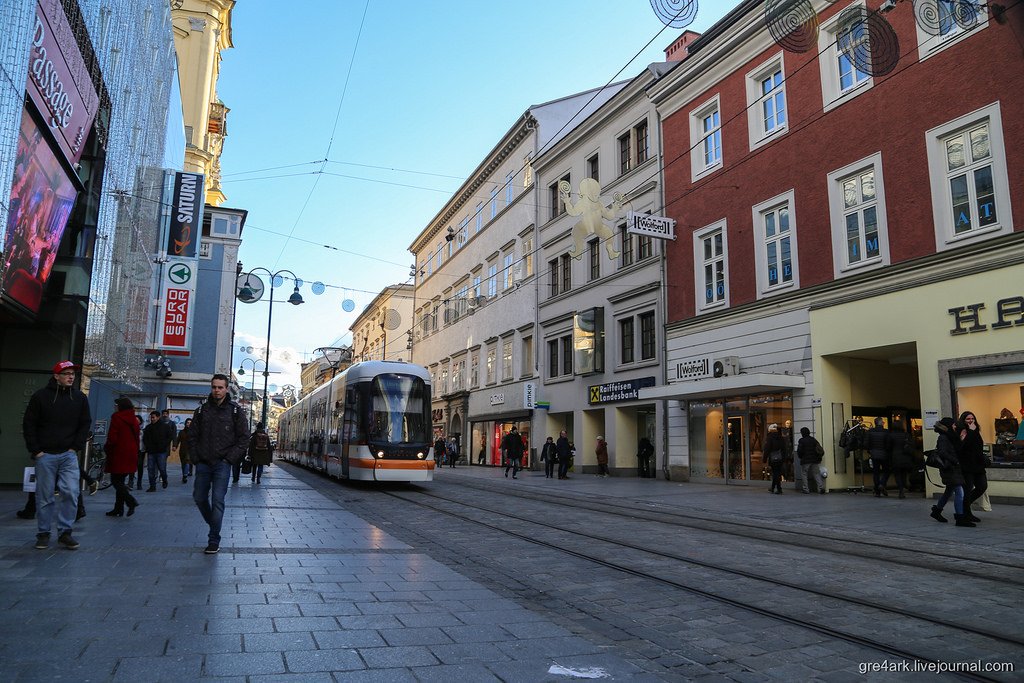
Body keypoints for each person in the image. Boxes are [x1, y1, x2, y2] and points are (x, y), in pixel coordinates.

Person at [22, 360, 91, 550]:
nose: (71, 377)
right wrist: (36, 451)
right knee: (45, 497)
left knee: (71, 492)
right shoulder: (40, 397)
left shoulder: (79, 398)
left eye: (73, 374)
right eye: (66, 373)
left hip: (68, 455)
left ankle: (65, 532)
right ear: (56, 376)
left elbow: (85, 423)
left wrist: (75, 447)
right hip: (45, 455)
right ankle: (43, 533)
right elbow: (29, 423)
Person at [189, 374, 250, 554]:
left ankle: (213, 539)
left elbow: (244, 438)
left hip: (222, 463)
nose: (217, 390)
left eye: (220, 387)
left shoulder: (235, 411)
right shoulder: (202, 411)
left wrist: (229, 459)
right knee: (199, 497)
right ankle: (214, 524)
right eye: (214, 387)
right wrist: (196, 458)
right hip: (203, 462)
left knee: (217, 501)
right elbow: (192, 436)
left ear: (226, 389)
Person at [929, 417, 973, 527]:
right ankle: (960, 518)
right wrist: (955, 461)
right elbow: (942, 452)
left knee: (948, 491)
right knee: (960, 492)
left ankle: (937, 511)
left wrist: (961, 439)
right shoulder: (943, 437)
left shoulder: (949, 436)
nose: (955, 426)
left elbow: (956, 449)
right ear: (948, 426)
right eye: (953, 425)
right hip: (949, 468)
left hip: (953, 468)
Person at [104, 397, 141, 517]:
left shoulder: (117, 417)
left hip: (119, 452)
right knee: (120, 481)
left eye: (116, 405)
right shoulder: (134, 419)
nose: (115, 407)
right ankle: (118, 508)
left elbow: (112, 437)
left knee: (115, 481)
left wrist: (107, 448)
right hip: (131, 453)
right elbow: (136, 437)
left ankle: (130, 501)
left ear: (120, 406)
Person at [957, 411, 987, 523]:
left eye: (972, 419)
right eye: (968, 419)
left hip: (978, 465)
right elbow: (964, 447)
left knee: (982, 486)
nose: (971, 421)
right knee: (967, 489)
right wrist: (970, 431)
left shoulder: (975, 430)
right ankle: (966, 512)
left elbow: (979, 445)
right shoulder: (962, 431)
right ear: (963, 420)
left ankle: (965, 505)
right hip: (967, 465)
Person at [142, 410, 174, 491]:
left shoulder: (165, 426)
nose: (152, 419)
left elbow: (170, 436)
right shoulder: (148, 427)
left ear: (158, 417)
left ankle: (164, 479)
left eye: (153, 417)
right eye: (151, 417)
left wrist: (164, 445)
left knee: (162, 468)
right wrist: (148, 446)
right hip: (151, 452)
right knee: (151, 469)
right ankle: (152, 486)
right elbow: (145, 438)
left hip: (161, 451)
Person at [863, 417, 890, 497]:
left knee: (876, 472)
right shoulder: (886, 432)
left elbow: (866, 444)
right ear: (880, 423)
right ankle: (882, 484)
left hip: (874, 454)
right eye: (883, 422)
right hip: (884, 454)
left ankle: (877, 491)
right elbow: (888, 444)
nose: (883, 423)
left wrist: (870, 450)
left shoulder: (870, 431)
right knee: (886, 470)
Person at [887, 420, 914, 499]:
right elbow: (912, 444)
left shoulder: (891, 435)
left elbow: (888, 447)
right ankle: (904, 486)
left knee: (897, 474)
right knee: (904, 473)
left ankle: (901, 489)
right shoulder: (906, 435)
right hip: (905, 457)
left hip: (895, 457)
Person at [795, 427, 825, 494]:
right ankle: (820, 488)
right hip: (814, 460)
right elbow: (819, 449)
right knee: (816, 473)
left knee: (804, 474)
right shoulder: (813, 440)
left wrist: (801, 457)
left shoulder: (801, 440)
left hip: (805, 460)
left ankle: (806, 489)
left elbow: (799, 451)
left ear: (802, 433)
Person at [764, 423, 787, 494]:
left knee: (775, 473)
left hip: (773, 458)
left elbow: (767, 449)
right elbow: (784, 448)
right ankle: (773, 487)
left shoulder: (769, 438)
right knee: (777, 472)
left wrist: (764, 458)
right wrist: (784, 458)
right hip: (780, 458)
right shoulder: (781, 437)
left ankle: (779, 489)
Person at [176, 418, 193, 483]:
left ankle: (185, 475)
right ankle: (185, 474)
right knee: (183, 464)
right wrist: (175, 446)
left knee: (187, 461)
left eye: (190, 423)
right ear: (185, 423)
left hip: (190, 450)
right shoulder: (181, 432)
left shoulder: (194, 432)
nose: (189, 424)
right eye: (188, 423)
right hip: (182, 450)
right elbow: (178, 440)